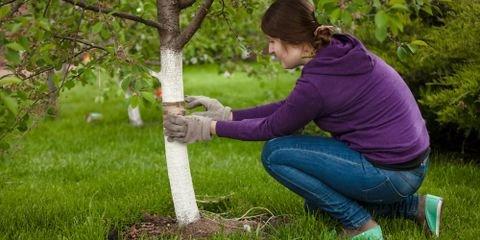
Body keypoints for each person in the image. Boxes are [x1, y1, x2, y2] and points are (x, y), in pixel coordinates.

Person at [163, 0, 443, 239]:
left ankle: (360, 226)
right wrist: (228, 114)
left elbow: (274, 127)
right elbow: (290, 107)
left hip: (391, 173)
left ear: (293, 39)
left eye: (273, 41)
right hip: (409, 165)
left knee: (276, 153)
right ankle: (416, 208)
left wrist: (209, 127)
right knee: (316, 204)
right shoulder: (337, 54)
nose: (270, 49)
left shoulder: (319, 81)